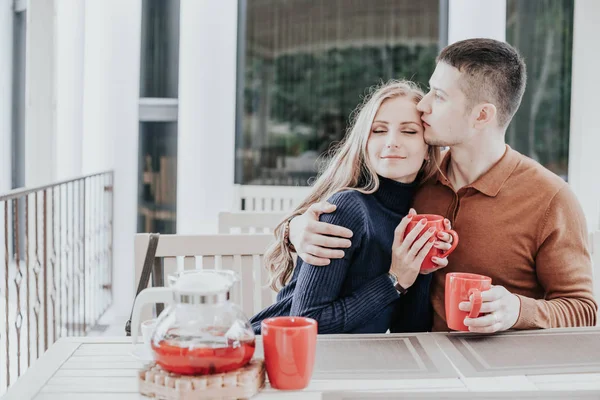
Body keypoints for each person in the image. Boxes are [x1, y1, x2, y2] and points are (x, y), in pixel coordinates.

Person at [285, 38, 598, 333]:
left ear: (482, 116)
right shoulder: (416, 179)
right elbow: (355, 200)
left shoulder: (550, 198)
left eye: (439, 96)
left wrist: (517, 310)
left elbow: (583, 310)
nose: (423, 105)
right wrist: (294, 229)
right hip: (418, 359)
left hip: (506, 370)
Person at [249, 80, 454, 334]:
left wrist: (418, 271)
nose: (392, 141)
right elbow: (308, 324)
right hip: (269, 352)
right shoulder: (346, 209)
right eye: (378, 131)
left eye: (409, 131)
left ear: (427, 149)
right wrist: (393, 280)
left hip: (350, 363)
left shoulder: (412, 215)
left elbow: (408, 330)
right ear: (364, 144)